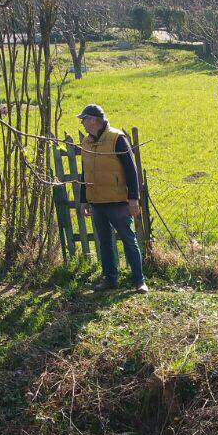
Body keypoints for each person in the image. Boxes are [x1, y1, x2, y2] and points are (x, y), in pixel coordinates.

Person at [77, 104, 148, 294]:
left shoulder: (118, 139)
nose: (82, 123)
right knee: (105, 243)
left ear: (93, 120)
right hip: (97, 202)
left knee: (128, 241)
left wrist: (133, 198)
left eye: (84, 119)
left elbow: (131, 171)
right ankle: (110, 279)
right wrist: (83, 200)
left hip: (118, 202)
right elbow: (84, 173)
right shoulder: (86, 142)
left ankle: (139, 281)